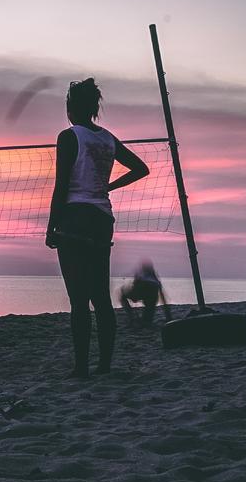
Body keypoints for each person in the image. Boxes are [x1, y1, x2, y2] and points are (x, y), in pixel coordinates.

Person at [47, 78, 150, 377]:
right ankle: (104, 365)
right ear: (94, 108)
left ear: (70, 107)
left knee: (79, 300)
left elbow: (61, 185)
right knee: (101, 297)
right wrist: (108, 186)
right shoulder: (107, 138)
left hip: (75, 217)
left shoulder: (69, 137)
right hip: (102, 219)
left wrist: (51, 226)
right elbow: (141, 168)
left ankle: (81, 369)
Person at [119, 260, 173, 330]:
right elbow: (162, 297)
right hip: (150, 297)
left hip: (146, 294)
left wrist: (130, 292)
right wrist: (168, 315)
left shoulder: (143, 275)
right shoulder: (153, 278)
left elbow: (135, 285)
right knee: (146, 321)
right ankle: (133, 318)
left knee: (146, 321)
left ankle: (131, 317)